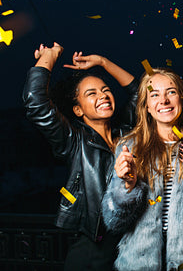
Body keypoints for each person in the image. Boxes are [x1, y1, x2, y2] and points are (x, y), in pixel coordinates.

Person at [22, 43, 138, 270]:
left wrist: (103, 62)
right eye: (91, 93)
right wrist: (49, 57)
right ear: (78, 110)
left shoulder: (125, 132)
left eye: (106, 90)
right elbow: (35, 101)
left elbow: (139, 92)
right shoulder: (74, 139)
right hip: (94, 247)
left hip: (131, 244)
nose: (103, 96)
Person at [101, 68, 183, 271]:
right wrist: (128, 186)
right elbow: (114, 223)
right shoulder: (129, 146)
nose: (163, 100)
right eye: (154, 94)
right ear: (146, 106)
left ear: (182, 98)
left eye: (171, 92)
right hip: (137, 264)